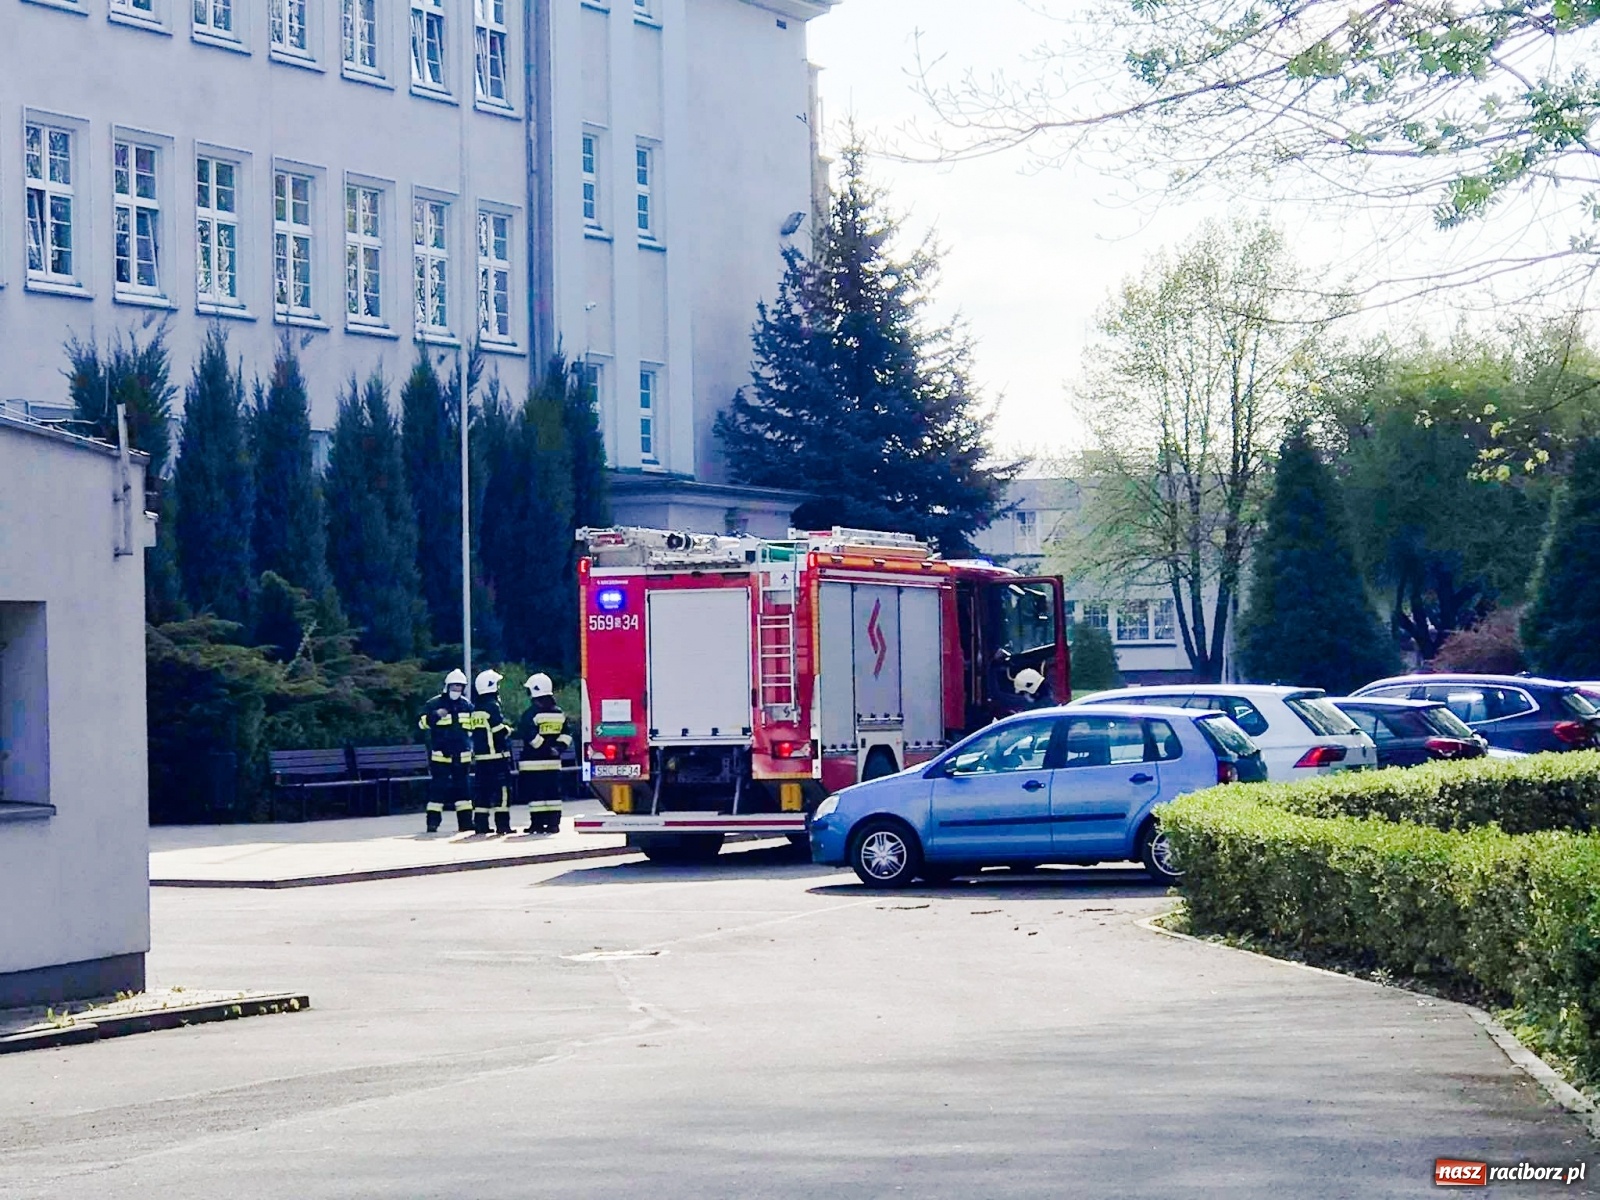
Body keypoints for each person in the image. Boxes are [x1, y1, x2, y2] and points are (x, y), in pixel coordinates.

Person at [418, 669, 474, 834]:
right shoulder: (434, 704)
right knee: (438, 790)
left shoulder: (467, 705)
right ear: (447, 686)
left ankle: (465, 823)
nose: (457, 689)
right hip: (441, 756)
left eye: (460, 686)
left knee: (464, 791)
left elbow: (473, 728)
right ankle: (432, 823)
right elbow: (422, 724)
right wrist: (435, 716)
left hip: (461, 756)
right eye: (455, 686)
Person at [516, 673, 571, 834]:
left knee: (536, 795)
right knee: (553, 793)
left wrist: (544, 748)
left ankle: (537, 824)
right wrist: (557, 749)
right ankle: (554, 824)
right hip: (553, 763)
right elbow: (567, 734)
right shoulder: (558, 712)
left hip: (533, 763)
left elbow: (528, 734)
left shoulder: (531, 713)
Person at [469, 669, 515, 836]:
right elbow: (498, 731)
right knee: (502, 791)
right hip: (497, 758)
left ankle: (481, 825)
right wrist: (508, 730)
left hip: (481, 759)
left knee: (482, 792)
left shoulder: (476, 709)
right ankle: (503, 825)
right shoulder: (492, 707)